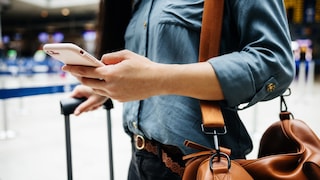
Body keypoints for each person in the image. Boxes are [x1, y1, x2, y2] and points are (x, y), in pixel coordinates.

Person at [62, 0, 295, 179]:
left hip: (200, 166)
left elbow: (274, 63)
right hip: (140, 158)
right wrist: (104, 87)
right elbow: (156, 58)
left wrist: (157, 79)